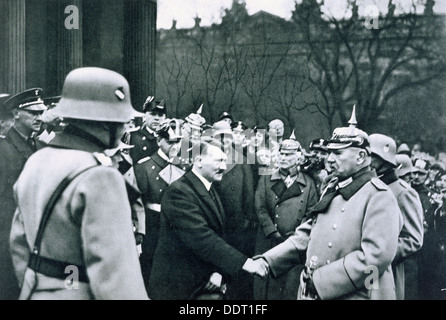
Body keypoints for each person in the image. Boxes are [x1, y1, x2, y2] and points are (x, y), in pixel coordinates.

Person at [9, 67, 149, 300]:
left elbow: (20, 248)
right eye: (123, 121)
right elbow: (117, 277)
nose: (126, 128)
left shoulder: (36, 160)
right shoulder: (101, 176)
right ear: (107, 123)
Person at [258, 107, 401, 300]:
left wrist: (320, 282)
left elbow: (375, 258)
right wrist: (267, 261)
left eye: (338, 153)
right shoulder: (333, 187)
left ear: (360, 157)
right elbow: (307, 233)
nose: (330, 159)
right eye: (329, 153)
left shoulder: (379, 196)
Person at [147, 140, 268, 300]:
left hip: (199, 284)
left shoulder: (208, 188)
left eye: (225, 161)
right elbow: (201, 237)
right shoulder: (179, 192)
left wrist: (219, 271)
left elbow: (219, 235)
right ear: (198, 161)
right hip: (177, 288)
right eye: (218, 161)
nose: (224, 167)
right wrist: (246, 263)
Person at [253, 134, 318, 300]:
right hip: (269, 241)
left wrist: (296, 237)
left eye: (288, 154)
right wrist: (272, 232)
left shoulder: (308, 183)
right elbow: (260, 208)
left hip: (294, 245)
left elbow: (311, 212)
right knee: (265, 290)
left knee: (289, 289)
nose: (283, 157)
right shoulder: (267, 178)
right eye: (281, 153)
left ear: (298, 157)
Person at [0, 88, 47, 300]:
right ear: (16, 114)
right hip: (8, 232)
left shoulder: (41, 147)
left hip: (37, 231)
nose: (40, 117)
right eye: (33, 113)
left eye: (41, 112)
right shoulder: (3, 148)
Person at [369, 133, 424, 300]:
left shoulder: (403, 192)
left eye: (372, 155)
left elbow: (414, 239)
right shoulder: (369, 187)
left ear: (384, 160)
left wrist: (380, 252)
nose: (366, 159)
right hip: (367, 270)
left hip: (389, 270)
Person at [134, 118, 186, 289]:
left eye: (179, 141)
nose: (176, 146)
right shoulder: (145, 167)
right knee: (151, 274)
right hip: (153, 228)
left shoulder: (185, 166)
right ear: (159, 140)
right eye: (171, 142)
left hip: (179, 228)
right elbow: (137, 203)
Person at [212, 121, 258, 300]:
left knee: (238, 272)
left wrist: (247, 219)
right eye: (219, 138)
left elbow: (248, 193)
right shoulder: (209, 161)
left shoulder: (242, 161)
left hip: (238, 226)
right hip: (217, 223)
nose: (224, 141)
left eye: (227, 137)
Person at [127, 97, 167, 164]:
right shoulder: (132, 137)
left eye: (160, 115)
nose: (157, 118)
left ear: (165, 117)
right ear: (144, 116)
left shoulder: (169, 138)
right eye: (153, 114)